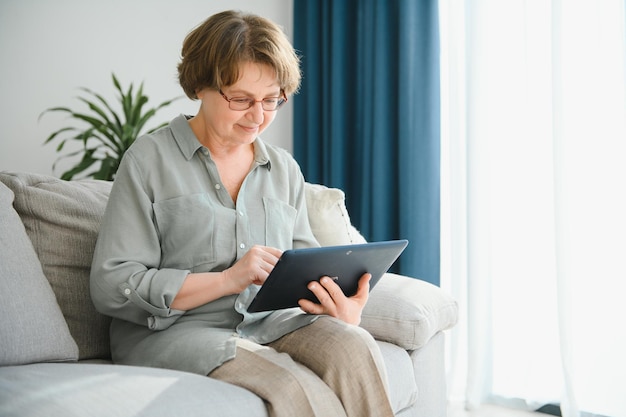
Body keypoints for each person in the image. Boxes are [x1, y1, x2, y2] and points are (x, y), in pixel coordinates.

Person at [90, 10, 394, 417]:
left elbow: (304, 267)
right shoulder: (148, 160)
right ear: (200, 86)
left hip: (271, 322)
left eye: (271, 100)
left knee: (353, 346)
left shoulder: (283, 168)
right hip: (176, 333)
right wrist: (227, 280)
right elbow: (112, 284)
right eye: (241, 99)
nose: (258, 116)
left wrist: (338, 305)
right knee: (289, 383)